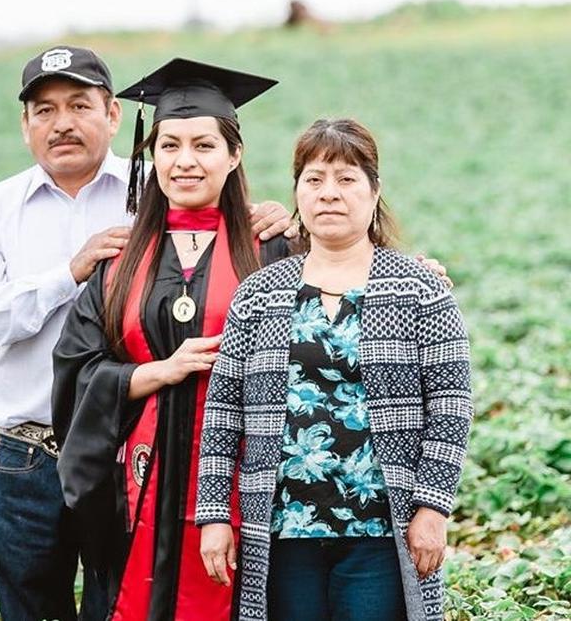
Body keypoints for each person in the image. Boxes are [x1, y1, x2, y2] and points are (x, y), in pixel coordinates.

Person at [0, 47, 294, 621]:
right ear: (26, 123)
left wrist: (275, 223)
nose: (62, 122)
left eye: (79, 105)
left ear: (114, 116)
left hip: (149, 462)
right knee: (38, 605)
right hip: (35, 455)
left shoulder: (151, 193)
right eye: (44, 110)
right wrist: (71, 272)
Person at [196, 118, 473, 621]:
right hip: (282, 529)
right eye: (315, 179)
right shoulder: (260, 293)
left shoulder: (419, 288)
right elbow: (222, 414)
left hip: (382, 531)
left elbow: (451, 406)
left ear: (373, 191)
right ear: (298, 192)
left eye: (346, 179)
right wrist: (214, 515)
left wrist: (432, 506)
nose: (330, 194)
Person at [51, 57, 292, 621]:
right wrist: (152, 373)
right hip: (136, 491)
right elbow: (74, 370)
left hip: (246, 488)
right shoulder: (120, 261)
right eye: (169, 145)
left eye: (205, 146)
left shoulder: (274, 251)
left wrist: (415, 273)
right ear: (150, 155)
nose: (185, 161)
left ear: (234, 157)